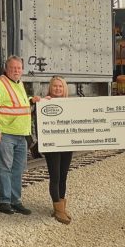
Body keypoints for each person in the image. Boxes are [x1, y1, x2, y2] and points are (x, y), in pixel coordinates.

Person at [0, 55, 39, 215]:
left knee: (17, 169)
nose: (16, 71)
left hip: (21, 135)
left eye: (19, 68)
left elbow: (16, 103)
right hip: (5, 135)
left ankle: (16, 201)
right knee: (4, 168)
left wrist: (31, 100)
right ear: (6, 69)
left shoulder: (18, 84)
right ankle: (4, 202)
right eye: (13, 68)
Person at [40, 76, 73, 224]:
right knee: (55, 176)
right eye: (55, 86)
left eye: (60, 86)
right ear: (50, 88)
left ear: (64, 88)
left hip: (67, 144)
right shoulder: (44, 102)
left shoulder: (70, 103)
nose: (57, 89)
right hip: (52, 145)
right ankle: (58, 210)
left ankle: (61, 207)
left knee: (63, 175)